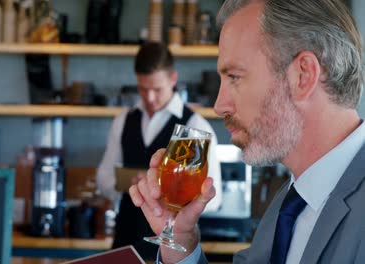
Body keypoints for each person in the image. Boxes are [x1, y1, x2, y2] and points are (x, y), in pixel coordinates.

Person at [129, 0, 365, 263]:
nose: (219, 106)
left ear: (303, 76)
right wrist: (180, 240)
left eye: (234, 77)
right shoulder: (288, 204)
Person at [96, 42, 222, 260]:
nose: (150, 97)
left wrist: (169, 192)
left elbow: (215, 198)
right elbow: (103, 179)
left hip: (173, 252)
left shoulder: (195, 127)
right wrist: (135, 184)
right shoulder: (124, 121)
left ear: (173, 79)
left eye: (157, 89)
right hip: (123, 246)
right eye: (144, 89)